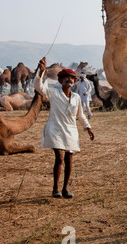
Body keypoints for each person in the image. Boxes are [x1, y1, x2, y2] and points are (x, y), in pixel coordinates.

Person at [34, 57, 94, 198]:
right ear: (61, 81)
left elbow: (80, 115)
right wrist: (41, 71)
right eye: (66, 78)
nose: (69, 80)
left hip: (71, 130)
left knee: (69, 160)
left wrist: (88, 127)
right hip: (55, 128)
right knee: (59, 158)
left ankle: (65, 189)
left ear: (74, 81)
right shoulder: (53, 93)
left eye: (72, 78)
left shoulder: (76, 98)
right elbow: (38, 87)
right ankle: (55, 188)